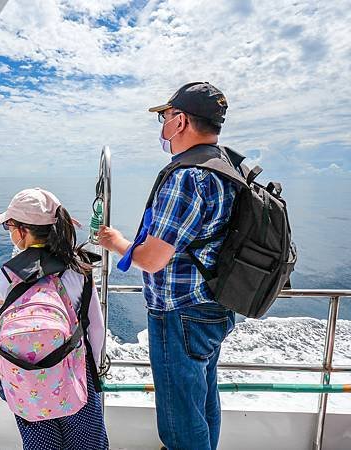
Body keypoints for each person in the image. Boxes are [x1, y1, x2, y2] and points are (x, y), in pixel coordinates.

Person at [97, 82, 237, 450]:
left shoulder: (187, 177)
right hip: (213, 304)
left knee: (179, 417)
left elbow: (152, 259)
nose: (161, 125)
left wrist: (117, 243)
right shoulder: (225, 169)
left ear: (180, 121)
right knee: (203, 398)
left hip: (179, 313)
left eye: (164, 116)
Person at [0, 187, 109, 450]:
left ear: (22, 231)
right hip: (74, 371)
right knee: (87, 443)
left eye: (9, 225)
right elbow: (95, 326)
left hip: (26, 376)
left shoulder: (6, 277)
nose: (9, 231)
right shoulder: (78, 269)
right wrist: (95, 367)